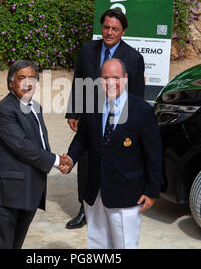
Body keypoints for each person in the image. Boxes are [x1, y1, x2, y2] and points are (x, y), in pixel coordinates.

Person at [66, 58, 162, 248]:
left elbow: (154, 153)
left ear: (125, 79)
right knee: (97, 244)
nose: (111, 83)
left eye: (116, 78)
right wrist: (70, 158)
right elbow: (81, 139)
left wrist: (152, 191)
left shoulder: (142, 110)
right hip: (95, 192)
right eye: (105, 78)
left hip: (127, 195)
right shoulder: (91, 105)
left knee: (124, 245)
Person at [0, 60, 72, 249]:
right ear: (11, 83)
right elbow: (23, 147)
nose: (28, 83)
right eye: (22, 78)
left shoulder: (35, 107)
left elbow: (40, 144)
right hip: (3, 195)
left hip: (25, 191)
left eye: (32, 78)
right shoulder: (4, 109)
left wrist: (57, 161)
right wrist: (55, 160)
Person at [64, 8, 145, 229]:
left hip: (118, 119)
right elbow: (79, 80)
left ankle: (112, 208)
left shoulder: (134, 58)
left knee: (114, 162)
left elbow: (136, 95)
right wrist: (73, 112)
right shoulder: (88, 49)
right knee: (87, 161)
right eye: (106, 27)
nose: (109, 32)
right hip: (90, 116)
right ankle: (85, 209)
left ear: (123, 31)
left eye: (115, 29)